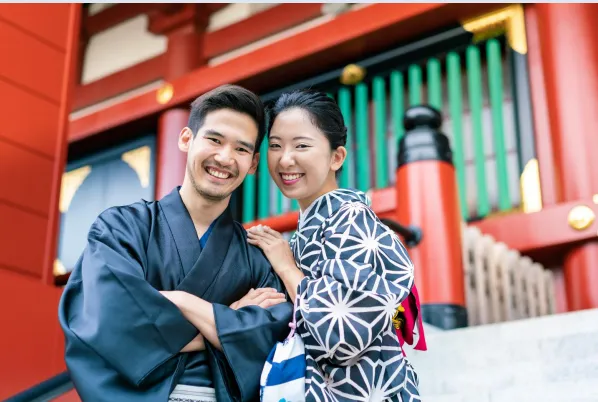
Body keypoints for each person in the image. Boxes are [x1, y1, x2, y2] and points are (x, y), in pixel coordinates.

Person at [58, 85, 294, 402]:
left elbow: (274, 334)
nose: (225, 158)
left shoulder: (256, 255)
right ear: (186, 139)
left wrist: (180, 302)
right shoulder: (121, 229)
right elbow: (110, 319)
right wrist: (229, 320)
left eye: (241, 149)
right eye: (214, 140)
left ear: (252, 164)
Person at [247, 90, 421, 401]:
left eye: (301, 145)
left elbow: (340, 335)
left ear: (336, 157)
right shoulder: (308, 231)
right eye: (275, 145)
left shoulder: (351, 219)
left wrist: (286, 267)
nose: (285, 159)